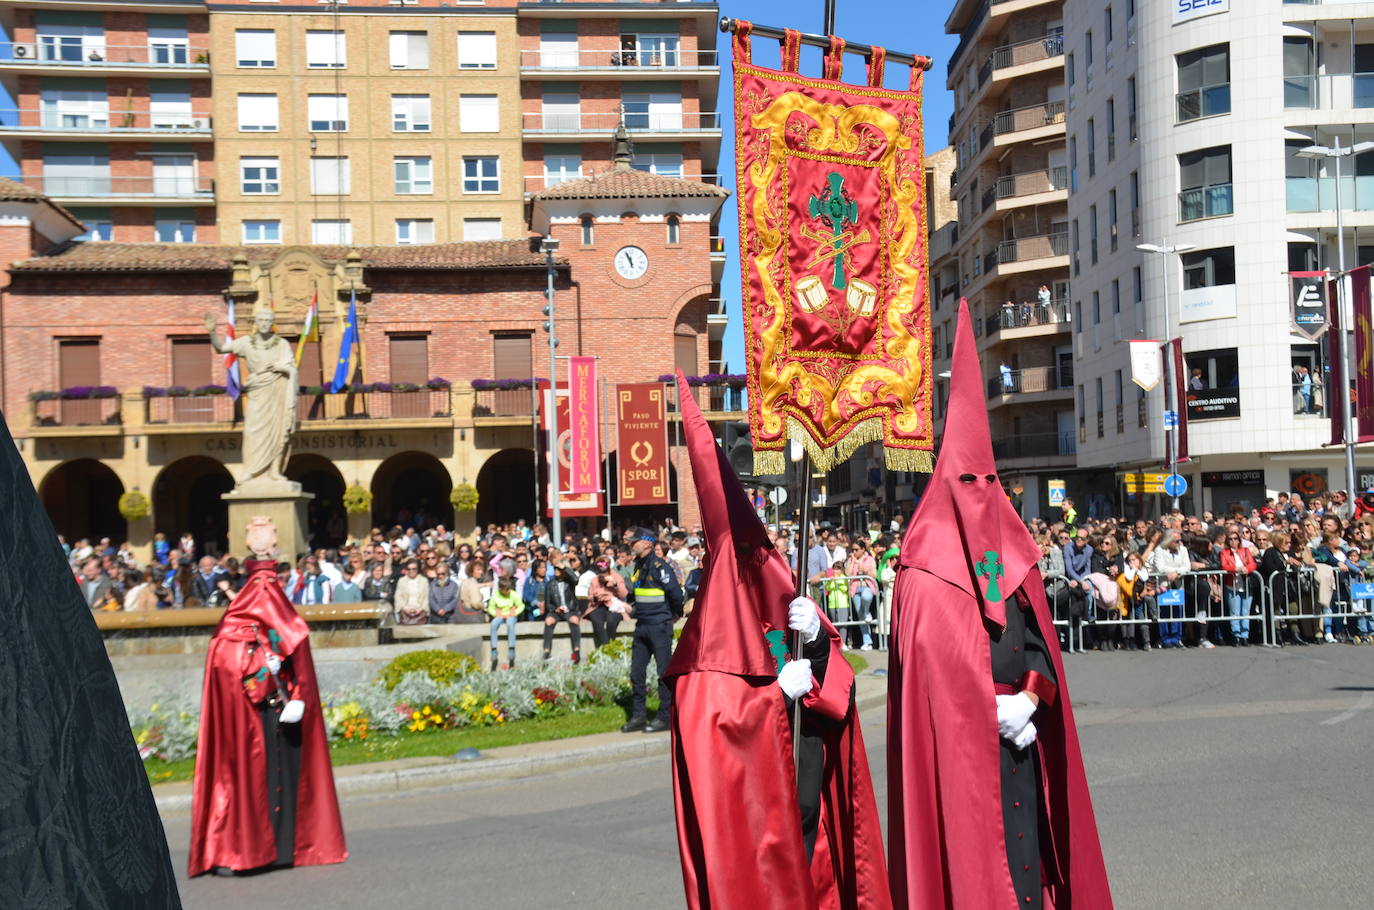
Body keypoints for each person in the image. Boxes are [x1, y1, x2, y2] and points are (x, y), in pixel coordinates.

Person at [886, 300, 1111, 908]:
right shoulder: (922, 569)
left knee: (1030, 862)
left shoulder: (1015, 558)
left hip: (1022, 744)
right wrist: (976, 707)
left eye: (990, 482)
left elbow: (1039, 647)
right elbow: (926, 678)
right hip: (963, 758)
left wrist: (1031, 697)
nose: (982, 495)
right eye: (968, 483)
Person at [664, 373, 890, 908]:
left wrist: (813, 644)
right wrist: (771, 698)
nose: (757, 568)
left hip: (811, 817)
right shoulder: (704, 656)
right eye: (743, 559)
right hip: (761, 843)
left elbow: (834, 694)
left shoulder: (777, 608)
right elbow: (715, 739)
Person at [189, 517, 346, 877]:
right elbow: (228, 657)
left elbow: (292, 647)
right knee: (253, 777)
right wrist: (260, 666)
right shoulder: (242, 613)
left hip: (278, 705)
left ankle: (280, 848)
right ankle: (252, 849)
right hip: (258, 708)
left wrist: (291, 684)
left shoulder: (260, 604)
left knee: (275, 775)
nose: (269, 590)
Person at [621, 528, 685, 734]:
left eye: (635, 542)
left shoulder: (660, 566)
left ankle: (665, 717)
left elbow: (675, 593)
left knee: (662, 672)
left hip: (659, 625)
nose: (631, 545)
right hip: (642, 625)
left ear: (647, 543)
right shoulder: (638, 566)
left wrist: (675, 613)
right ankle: (639, 716)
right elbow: (638, 594)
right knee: (636, 673)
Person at [541, 551, 582, 662]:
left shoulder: (569, 581)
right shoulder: (550, 584)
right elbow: (548, 603)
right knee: (549, 621)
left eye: (558, 569)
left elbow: (576, 579)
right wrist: (555, 609)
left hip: (570, 609)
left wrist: (564, 567)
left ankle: (577, 650)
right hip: (557, 611)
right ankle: (546, 651)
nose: (556, 571)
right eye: (555, 569)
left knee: (574, 620)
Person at [1220, 531, 1256, 645]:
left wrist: (1247, 569)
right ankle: (1236, 635)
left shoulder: (1245, 550)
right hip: (1232, 585)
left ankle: (1245, 635)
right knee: (1234, 611)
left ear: (1239, 540)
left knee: (1245, 611)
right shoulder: (1224, 552)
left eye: (1235, 538)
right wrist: (1236, 569)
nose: (1233, 541)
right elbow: (1224, 565)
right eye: (1230, 539)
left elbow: (1252, 563)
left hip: (1245, 584)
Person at [585, 559, 628, 648]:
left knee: (611, 621)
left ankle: (610, 644)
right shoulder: (594, 580)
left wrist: (615, 585)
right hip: (598, 605)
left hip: (614, 606)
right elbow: (589, 596)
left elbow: (624, 594)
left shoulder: (617, 577)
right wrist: (595, 598)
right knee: (596, 619)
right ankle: (606, 645)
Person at [846, 538, 878, 651]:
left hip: (867, 587)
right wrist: (853, 562)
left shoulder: (870, 559)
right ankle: (867, 642)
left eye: (856, 549)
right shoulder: (851, 559)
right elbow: (847, 574)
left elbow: (874, 574)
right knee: (861, 617)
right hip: (855, 589)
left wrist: (864, 571)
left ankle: (866, 611)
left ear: (863, 549)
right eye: (853, 549)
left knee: (866, 597)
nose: (854, 552)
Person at [486, 575, 522, 671]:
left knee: (510, 624)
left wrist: (514, 612)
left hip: (510, 615)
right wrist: (495, 613)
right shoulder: (496, 595)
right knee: (493, 624)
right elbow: (490, 608)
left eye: (509, 589)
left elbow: (521, 605)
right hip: (500, 615)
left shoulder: (513, 594)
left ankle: (511, 649)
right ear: (501, 589)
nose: (508, 591)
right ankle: (494, 649)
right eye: (506, 590)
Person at [392, 558, 429, 625]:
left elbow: (426, 597)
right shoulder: (401, 581)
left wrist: (421, 609)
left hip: (420, 611)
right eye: (409, 569)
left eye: (414, 569)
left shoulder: (424, 581)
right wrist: (405, 608)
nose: (411, 571)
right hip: (405, 612)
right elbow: (398, 596)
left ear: (417, 569)